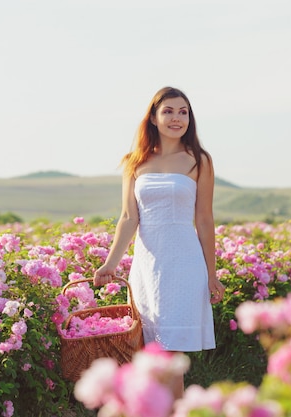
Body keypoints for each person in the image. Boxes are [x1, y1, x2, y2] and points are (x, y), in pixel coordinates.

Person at [93, 86, 225, 398]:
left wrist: (212, 274)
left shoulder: (199, 161)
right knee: (146, 354)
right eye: (168, 111)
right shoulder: (134, 161)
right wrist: (110, 264)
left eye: (183, 112)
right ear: (153, 117)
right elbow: (128, 217)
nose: (176, 118)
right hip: (147, 267)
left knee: (169, 358)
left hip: (184, 266)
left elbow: (204, 220)